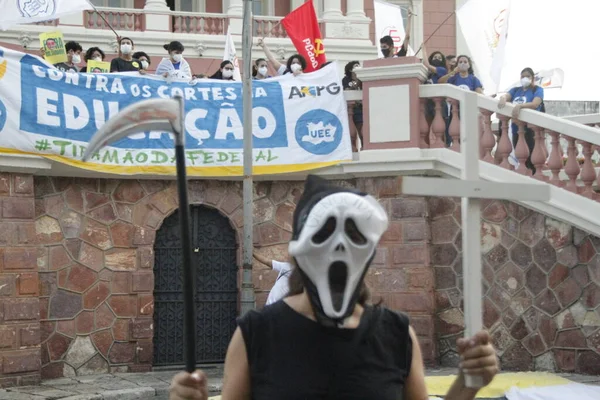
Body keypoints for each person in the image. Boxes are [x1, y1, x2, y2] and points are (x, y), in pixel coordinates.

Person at [169, 175, 499, 400]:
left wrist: (466, 386)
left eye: (354, 234)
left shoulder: (396, 334)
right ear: (300, 246)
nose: (339, 245)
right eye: (325, 231)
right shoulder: (256, 334)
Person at [498, 67, 544, 174]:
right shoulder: (516, 90)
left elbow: (535, 103)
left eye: (528, 76)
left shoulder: (537, 89)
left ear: (532, 78)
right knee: (520, 156)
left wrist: (520, 106)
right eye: (523, 76)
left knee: (532, 157)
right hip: (515, 129)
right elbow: (507, 95)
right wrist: (503, 98)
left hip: (531, 129)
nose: (525, 79)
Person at [342, 60, 364, 151]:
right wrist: (356, 83)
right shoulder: (346, 79)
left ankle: (364, 147)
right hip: (351, 109)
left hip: (360, 109)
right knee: (350, 134)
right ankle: (353, 149)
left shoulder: (362, 79)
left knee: (362, 131)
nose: (358, 68)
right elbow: (347, 89)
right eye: (355, 66)